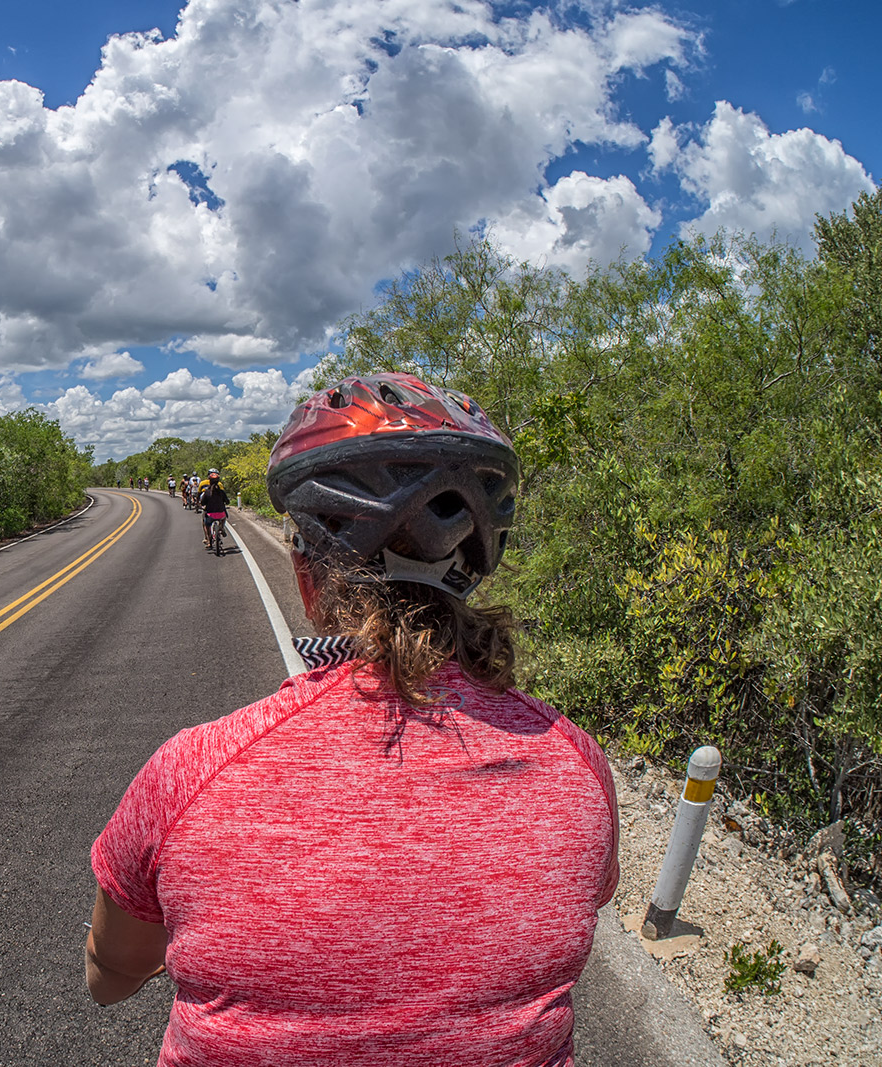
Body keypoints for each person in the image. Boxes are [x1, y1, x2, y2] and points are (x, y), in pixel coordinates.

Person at [86, 373, 619, 1067]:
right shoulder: (576, 763)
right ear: (477, 566)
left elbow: (108, 975)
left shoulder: (191, 772)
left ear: (307, 573)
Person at [198, 469, 229, 548]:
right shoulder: (221, 488)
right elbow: (226, 500)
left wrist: (200, 504)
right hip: (221, 513)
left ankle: (208, 539)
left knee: (205, 524)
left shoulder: (204, 487)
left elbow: (202, 500)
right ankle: (221, 527)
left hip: (210, 514)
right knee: (224, 516)